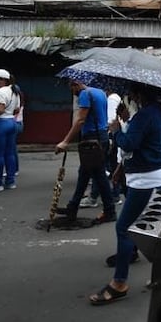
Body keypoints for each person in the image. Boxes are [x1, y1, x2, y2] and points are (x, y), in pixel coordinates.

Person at [90, 85, 161, 305]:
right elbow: (137, 145)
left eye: (130, 95)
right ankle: (138, 257)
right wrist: (126, 122)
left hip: (147, 180)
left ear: (137, 95)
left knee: (124, 227)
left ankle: (119, 283)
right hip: (155, 175)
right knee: (148, 226)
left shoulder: (146, 115)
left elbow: (129, 143)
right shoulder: (154, 112)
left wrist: (117, 129)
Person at [54, 79, 117, 225]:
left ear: (75, 84)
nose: (72, 92)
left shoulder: (85, 94)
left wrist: (66, 141)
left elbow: (81, 120)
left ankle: (110, 210)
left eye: (71, 88)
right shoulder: (100, 92)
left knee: (99, 175)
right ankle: (73, 206)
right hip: (101, 135)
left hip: (91, 138)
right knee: (85, 173)